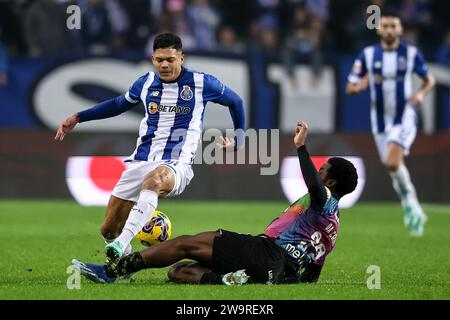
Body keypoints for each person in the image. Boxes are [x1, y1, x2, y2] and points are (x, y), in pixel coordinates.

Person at [72, 120, 358, 285]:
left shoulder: (324, 198)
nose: (317, 173)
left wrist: (301, 147)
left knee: (185, 242)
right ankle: (232, 279)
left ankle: (111, 271)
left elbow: (313, 185)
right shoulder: (332, 227)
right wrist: (281, 280)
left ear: (331, 183)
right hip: (275, 271)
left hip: (265, 252)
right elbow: (312, 277)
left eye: (323, 172)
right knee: (178, 271)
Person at [55, 33, 245, 263]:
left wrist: (239, 139)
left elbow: (236, 102)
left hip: (177, 163)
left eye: (170, 59)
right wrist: (78, 117)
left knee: (154, 182)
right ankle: (120, 262)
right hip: (141, 160)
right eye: (159, 60)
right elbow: (117, 105)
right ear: (152, 58)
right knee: (108, 229)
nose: (164, 65)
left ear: (181, 58)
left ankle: (122, 243)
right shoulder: (144, 83)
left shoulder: (202, 83)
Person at [346, 11, 435, 237]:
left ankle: (411, 205)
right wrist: (360, 86)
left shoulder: (411, 54)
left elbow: (429, 80)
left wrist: (421, 94)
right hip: (380, 123)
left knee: (393, 162)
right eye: (384, 26)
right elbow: (350, 87)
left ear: (400, 30)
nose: (388, 30)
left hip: (404, 116)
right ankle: (412, 208)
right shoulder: (367, 55)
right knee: (392, 168)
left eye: (393, 26)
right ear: (378, 30)